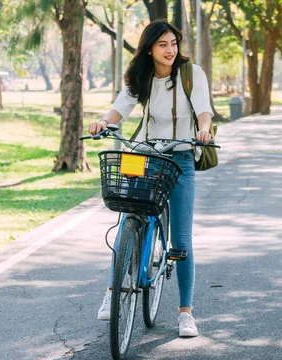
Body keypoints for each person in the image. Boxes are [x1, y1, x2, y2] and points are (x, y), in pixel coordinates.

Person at [88, 19, 213, 338]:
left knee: (181, 241)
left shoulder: (190, 73)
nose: (170, 50)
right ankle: (114, 290)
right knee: (128, 217)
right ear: (149, 48)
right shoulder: (139, 76)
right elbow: (120, 108)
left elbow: (203, 109)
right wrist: (103, 122)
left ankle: (186, 313)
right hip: (141, 155)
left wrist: (203, 129)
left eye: (173, 43)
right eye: (163, 44)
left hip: (181, 156)